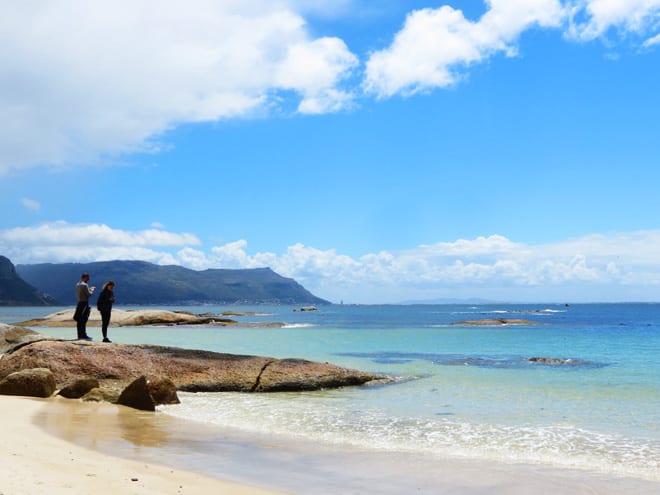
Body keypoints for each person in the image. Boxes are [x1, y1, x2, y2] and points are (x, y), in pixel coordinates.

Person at [73, 273, 95, 340]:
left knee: (79, 319)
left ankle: (79, 335)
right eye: (88, 278)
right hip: (84, 303)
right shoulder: (85, 285)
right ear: (84, 277)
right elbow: (89, 295)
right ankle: (83, 335)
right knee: (83, 319)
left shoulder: (77, 284)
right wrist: (91, 290)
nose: (88, 279)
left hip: (79, 302)